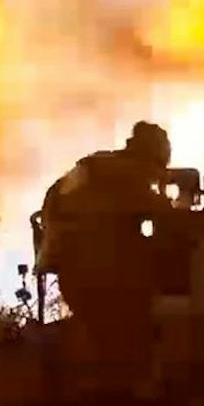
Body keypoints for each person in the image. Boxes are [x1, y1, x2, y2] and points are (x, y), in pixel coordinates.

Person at [37, 122, 176, 376]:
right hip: (112, 282)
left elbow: (52, 204)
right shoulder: (129, 174)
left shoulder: (93, 167)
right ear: (152, 158)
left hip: (73, 278)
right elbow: (166, 215)